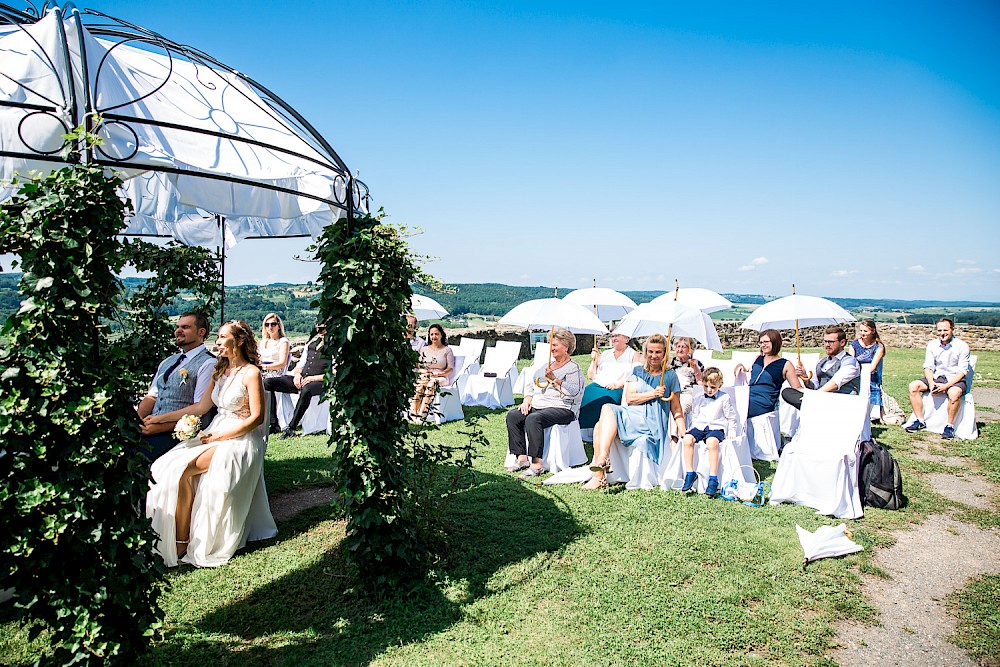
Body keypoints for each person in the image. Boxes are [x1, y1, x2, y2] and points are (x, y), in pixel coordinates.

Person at [144, 320, 277, 568]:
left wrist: (220, 437)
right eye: (217, 336)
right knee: (165, 465)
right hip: (214, 430)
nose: (217, 342)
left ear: (238, 341)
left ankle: (182, 542)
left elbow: (256, 418)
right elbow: (202, 407)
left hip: (241, 438)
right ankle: (168, 535)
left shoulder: (251, 373)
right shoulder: (219, 370)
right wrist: (161, 418)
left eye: (222, 337)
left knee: (184, 471)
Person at [583, 333, 685, 491]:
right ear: (645, 352)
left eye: (658, 352)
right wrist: (653, 393)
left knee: (601, 423)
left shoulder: (670, 376)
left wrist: (683, 430)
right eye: (650, 351)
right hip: (633, 415)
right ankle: (601, 466)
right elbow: (630, 398)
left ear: (665, 353)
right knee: (604, 415)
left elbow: (676, 408)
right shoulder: (638, 372)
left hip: (652, 422)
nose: (653, 356)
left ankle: (600, 468)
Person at [137, 312, 216, 462]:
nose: (178, 330)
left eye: (185, 327)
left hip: (175, 432)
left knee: (138, 455)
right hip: (150, 426)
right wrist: (138, 421)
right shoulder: (167, 362)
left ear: (201, 332)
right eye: (177, 326)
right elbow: (152, 396)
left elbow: (200, 411)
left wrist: (160, 426)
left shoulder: (208, 364)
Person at [506, 328, 584, 478]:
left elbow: (574, 392)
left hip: (563, 408)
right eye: (550, 345)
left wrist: (555, 380)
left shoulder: (573, 368)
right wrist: (528, 398)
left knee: (533, 418)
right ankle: (521, 458)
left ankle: (537, 464)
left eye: (554, 345)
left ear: (566, 347)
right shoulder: (547, 365)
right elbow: (532, 383)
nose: (551, 348)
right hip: (540, 405)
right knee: (513, 416)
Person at [905, 318, 971, 439]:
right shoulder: (932, 345)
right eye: (939, 330)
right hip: (937, 377)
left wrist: (946, 386)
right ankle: (920, 420)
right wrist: (931, 383)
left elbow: (962, 371)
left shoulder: (962, 346)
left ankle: (949, 426)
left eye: (945, 330)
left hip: (955, 379)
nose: (942, 333)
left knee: (954, 393)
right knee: (913, 386)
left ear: (952, 330)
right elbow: (928, 367)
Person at [263, 321, 330, 439]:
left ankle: (292, 427)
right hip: (302, 379)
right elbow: (300, 365)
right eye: (319, 327)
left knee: (307, 389)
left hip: (321, 381)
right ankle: (274, 424)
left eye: (323, 327)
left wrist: (313, 378)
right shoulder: (310, 344)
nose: (321, 330)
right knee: (268, 383)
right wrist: (298, 375)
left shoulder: (335, 346)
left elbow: (335, 372)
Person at [680, 367, 738, 497]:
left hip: (716, 427)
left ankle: (713, 478)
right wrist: (692, 427)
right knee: (687, 439)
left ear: (719, 385)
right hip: (700, 426)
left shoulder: (724, 398)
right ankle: (690, 473)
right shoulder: (699, 397)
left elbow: (731, 417)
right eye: (706, 386)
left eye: (712, 387)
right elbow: (695, 415)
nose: (709, 390)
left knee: (712, 443)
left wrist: (732, 431)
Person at [781, 326, 860, 410]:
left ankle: (809, 405)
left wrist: (814, 397)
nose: (827, 345)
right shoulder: (821, 362)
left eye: (830, 342)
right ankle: (810, 405)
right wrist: (805, 378)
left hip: (840, 401)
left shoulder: (850, 362)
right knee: (787, 392)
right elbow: (814, 386)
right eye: (825, 341)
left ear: (842, 342)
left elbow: (835, 383)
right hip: (820, 400)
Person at [578, 332, 641, 432]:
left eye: (617, 336)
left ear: (626, 338)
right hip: (598, 385)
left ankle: (598, 430)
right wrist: (594, 360)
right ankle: (580, 430)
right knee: (582, 396)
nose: (614, 338)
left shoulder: (633, 354)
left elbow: (636, 375)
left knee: (604, 401)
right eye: (612, 336)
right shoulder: (605, 353)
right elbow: (591, 375)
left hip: (617, 387)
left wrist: (618, 384)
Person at [733, 329, 803, 418]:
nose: (763, 345)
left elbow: (797, 387)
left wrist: (808, 383)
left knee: (738, 407)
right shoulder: (757, 359)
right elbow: (749, 373)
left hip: (764, 401)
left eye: (766, 342)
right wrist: (740, 365)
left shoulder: (785, 364)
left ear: (775, 342)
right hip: (748, 395)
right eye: (761, 342)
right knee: (726, 399)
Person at [411, 323, 456, 420]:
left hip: (441, 377)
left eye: (436, 334)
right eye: (431, 334)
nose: (434, 336)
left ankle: (422, 414)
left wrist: (439, 374)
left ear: (441, 335)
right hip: (427, 375)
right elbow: (419, 365)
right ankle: (414, 413)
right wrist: (424, 372)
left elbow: (450, 368)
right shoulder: (424, 349)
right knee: (420, 385)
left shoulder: (447, 350)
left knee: (432, 384)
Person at [850, 319, 886, 419]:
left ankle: (873, 412)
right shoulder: (854, 344)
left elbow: (873, 365)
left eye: (865, 331)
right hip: (856, 371)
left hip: (871, 374)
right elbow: (851, 361)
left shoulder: (878, 346)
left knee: (872, 386)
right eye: (861, 331)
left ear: (873, 331)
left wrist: (864, 375)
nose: (862, 333)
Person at [668, 337, 705, 416]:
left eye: (683, 347)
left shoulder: (696, 364)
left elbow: (701, 383)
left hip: (686, 394)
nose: (680, 350)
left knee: (679, 407)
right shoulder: (669, 362)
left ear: (690, 349)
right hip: (671, 393)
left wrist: (696, 369)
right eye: (678, 346)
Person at [258, 313, 291, 378]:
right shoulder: (263, 342)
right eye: (267, 325)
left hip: (275, 373)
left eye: (273, 324)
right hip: (262, 371)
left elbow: (282, 363)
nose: (270, 327)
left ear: (279, 326)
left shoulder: (283, 342)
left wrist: (264, 367)